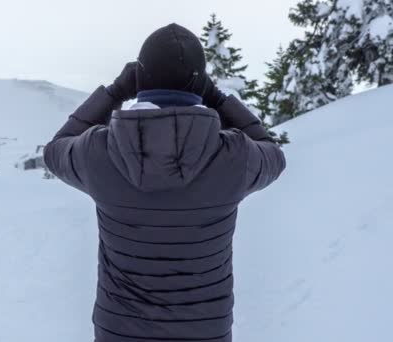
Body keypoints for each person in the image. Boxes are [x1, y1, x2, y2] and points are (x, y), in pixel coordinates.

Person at [44, 23, 286, 342]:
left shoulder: (98, 152)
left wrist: (115, 92)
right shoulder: (235, 156)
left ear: (140, 80)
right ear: (200, 86)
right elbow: (274, 154)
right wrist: (216, 97)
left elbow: (56, 149)